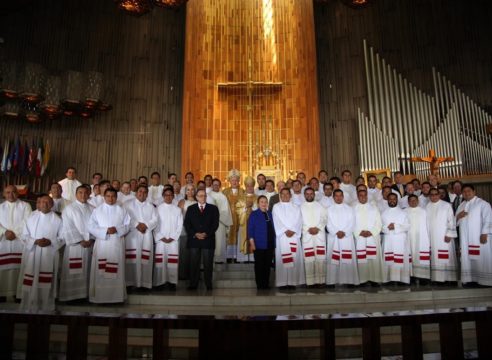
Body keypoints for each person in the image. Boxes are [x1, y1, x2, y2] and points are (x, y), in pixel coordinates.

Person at [18, 194, 62, 311]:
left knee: (46, 281)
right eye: (42, 202)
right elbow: (23, 235)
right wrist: (35, 241)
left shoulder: (58, 219)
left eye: (48, 202)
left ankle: (47, 306)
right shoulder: (31, 218)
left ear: (52, 204)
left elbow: (62, 237)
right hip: (33, 253)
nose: (45, 204)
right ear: (38, 203)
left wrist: (51, 241)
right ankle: (28, 305)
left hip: (49, 253)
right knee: (31, 279)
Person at [88, 188, 131, 303]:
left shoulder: (121, 210)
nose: (110, 199)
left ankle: (116, 297)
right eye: (108, 196)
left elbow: (127, 225)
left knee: (115, 269)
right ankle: (100, 297)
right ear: (104, 197)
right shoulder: (97, 210)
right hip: (103, 243)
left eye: (113, 196)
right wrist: (105, 231)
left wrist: (117, 229)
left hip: (116, 242)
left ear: (116, 197)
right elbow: (91, 226)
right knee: (101, 270)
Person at [59, 185, 94, 301]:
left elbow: (97, 225)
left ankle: (86, 295)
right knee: (75, 270)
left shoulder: (93, 209)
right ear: (76, 194)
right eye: (80, 192)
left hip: (90, 245)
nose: (83, 195)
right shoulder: (69, 209)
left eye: (85, 193)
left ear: (89, 194)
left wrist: (92, 238)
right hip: (75, 246)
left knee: (88, 269)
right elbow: (68, 226)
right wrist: (79, 240)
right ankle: (72, 296)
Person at [456, 184, 492, 287]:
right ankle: (469, 279)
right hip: (465, 239)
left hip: (479, 237)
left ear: (474, 191)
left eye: (469, 191)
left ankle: (484, 281)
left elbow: (488, 218)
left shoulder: (482, 204)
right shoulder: (461, 205)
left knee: (481, 258)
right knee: (467, 258)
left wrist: (485, 233)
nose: (466, 193)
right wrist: (458, 216)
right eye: (464, 192)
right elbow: (455, 222)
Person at [0, 185, 32, 300]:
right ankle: (2, 294)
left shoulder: (25, 206)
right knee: (3, 269)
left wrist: (15, 233)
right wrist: (4, 232)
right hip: (3, 241)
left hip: (19, 241)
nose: (10, 195)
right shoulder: (0, 207)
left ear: (18, 193)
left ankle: (18, 294)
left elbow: (27, 221)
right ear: (4, 194)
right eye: (7, 192)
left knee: (19, 268)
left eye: (13, 192)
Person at [184, 189, 219, 290]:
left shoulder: (213, 209)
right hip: (194, 240)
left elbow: (215, 224)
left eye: (204, 196)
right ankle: (193, 284)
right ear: (196, 197)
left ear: (206, 197)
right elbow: (187, 224)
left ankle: (208, 284)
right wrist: (195, 234)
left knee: (208, 263)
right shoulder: (190, 208)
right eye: (200, 196)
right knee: (194, 263)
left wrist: (206, 234)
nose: (202, 197)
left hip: (208, 239)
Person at [124, 185, 158, 290]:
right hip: (132, 235)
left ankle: (144, 283)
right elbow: (125, 217)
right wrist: (137, 225)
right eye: (140, 191)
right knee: (131, 260)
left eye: (144, 192)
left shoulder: (151, 206)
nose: (142, 193)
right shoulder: (127, 204)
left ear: (147, 194)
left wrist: (146, 225)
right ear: (136, 193)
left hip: (146, 235)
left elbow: (155, 219)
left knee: (145, 259)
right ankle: (130, 283)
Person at [272, 188, 305, 290]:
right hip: (282, 237)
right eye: (283, 194)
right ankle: (282, 283)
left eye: (287, 194)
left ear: (291, 196)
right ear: (280, 196)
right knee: (283, 259)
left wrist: (293, 230)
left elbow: (299, 220)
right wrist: (285, 231)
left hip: (293, 237)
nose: (285, 196)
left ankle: (292, 282)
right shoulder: (276, 207)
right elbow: (276, 220)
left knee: (294, 259)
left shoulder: (296, 207)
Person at [326, 189, 359, 286]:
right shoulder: (329, 209)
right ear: (333, 197)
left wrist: (344, 232)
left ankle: (349, 281)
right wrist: (336, 232)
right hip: (334, 237)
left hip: (346, 237)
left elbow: (352, 223)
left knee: (347, 258)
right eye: (336, 196)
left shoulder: (350, 209)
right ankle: (332, 281)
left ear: (343, 197)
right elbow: (328, 224)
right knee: (333, 259)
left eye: (340, 195)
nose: (338, 198)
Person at [426, 188, 457, 283]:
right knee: (435, 257)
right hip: (433, 237)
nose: (434, 196)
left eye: (436, 194)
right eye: (431, 194)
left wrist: (449, 233)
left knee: (446, 257)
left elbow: (451, 220)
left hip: (444, 236)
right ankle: (437, 278)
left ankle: (450, 279)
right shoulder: (427, 206)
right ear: (429, 196)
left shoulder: (446, 205)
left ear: (439, 195)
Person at [154, 188, 183, 291]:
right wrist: (161, 237)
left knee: (172, 261)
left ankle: (172, 282)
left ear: (173, 196)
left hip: (173, 241)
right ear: (163, 196)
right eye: (166, 195)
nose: (168, 197)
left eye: (170, 195)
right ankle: (160, 282)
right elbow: (155, 224)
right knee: (160, 261)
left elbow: (180, 225)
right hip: (161, 240)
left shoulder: (177, 209)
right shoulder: (157, 209)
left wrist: (173, 237)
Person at [353, 189, 384, 285]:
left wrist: (371, 232)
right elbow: (351, 223)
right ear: (358, 197)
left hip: (372, 237)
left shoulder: (374, 208)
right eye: (360, 195)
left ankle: (375, 279)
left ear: (367, 196)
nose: (363, 197)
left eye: (364, 195)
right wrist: (359, 232)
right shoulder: (353, 209)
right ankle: (362, 279)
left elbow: (379, 223)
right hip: (359, 238)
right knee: (362, 259)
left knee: (373, 259)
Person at [381, 193, 411, 284]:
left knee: (400, 257)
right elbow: (380, 226)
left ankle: (402, 279)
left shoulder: (403, 213)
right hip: (388, 239)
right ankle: (388, 279)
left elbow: (407, 226)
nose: (392, 201)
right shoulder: (383, 213)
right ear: (387, 200)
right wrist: (387, 227)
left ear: (397, 200)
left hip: (400, 239)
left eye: (394, 199)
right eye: (390, 199)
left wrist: (395, 226)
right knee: (388, 259)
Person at [300, 187, 327, 287]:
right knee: (309, 258)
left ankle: (320, 281)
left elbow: (324, 219)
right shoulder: (301, 207)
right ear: (304, 195)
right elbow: (299, 221)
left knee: (320, 258)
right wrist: (308, 229)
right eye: (307, 194)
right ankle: (310, 282)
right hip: (307, 235)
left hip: (319, 235)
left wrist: (318, 228)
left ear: (314, 195)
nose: (309, 195)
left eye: (311, 194)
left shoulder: (320, 206)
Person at [247, 196, 275, 290]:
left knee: (267, 265)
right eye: (262, 202)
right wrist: (252, 243)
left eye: (265, 202)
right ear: (258, 204)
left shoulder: (270, 214)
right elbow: (250, 230)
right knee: (259, 265)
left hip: (269, 244)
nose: (264, 204)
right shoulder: (254, 214)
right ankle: (260, 285)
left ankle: (266, 284)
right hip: (258, 244)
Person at [405, 194, 431, 282]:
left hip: (422, 238)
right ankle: (411, 276)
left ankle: (423, 277)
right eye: (411, 200)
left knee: (421, 256)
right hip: (409, 238)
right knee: (410, 255)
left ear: (418, 201)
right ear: (408, 202)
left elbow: (428, 225)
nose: (413, 202)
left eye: (415, 200)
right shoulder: (404, 212)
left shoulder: (424, 211)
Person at [223, 169, 245, 263]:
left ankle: (237, 256)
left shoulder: (242, 191)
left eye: (236, 180)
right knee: (229, 236)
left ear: (239, 181)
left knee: (238, 236)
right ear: (229, 181)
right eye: (233, 180)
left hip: (240, 218)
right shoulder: (225, 192)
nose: (234, 182)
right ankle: (228, 256)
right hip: (228, 218)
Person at [209, 178, 233, 264]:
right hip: (209, 223)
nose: (216, 186)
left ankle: (219, 260)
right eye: (214, 184)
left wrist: (217, 215)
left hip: (220, 222)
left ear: (220, 186)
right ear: (211, 185)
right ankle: (209, 259)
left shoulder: (223, 197)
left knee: (219, 241)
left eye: (217, 185)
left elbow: (225, 211)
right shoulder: (207, 196)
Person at [177, 184, 197, 280]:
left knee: (194, 253)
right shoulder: (182, 201)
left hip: (195, 231)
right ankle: (182, 274)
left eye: (192, 189)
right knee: (184, 253)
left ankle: (193, 275)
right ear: (185, 192)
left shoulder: (197, 202)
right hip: (184, 230)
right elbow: (178, 215)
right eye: (188, 190)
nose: (190, 191)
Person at [236, 176, 257, 263]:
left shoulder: (258, 197)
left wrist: (253, 206)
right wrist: (245, 207)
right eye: (248, 186)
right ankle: (243, 258)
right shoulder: (241, 197)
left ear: (253, 186)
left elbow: (261, 209)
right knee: (243, 237)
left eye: (251, 186)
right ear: (245, 186)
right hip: (244, 222)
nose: (249, 187)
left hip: (255, 224)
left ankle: (252, 258)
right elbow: (238, 209)